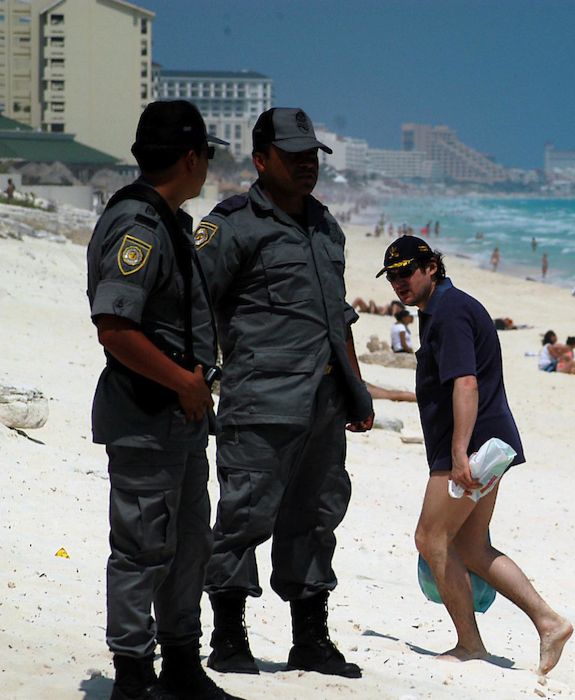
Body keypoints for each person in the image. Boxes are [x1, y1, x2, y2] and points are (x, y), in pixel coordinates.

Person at [195, 107, 374, 679]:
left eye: (310, 157)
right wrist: (194, 381)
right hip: (260, 403)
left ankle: (311, 641)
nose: (305, 167)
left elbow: (336, 316)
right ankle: (228, 638)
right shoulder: (232, 226)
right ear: (261, 159)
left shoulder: (327, 227)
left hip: (324, 405)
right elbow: (196, 306)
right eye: (292, 156)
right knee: (244, 516)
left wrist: (357, 388)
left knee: (318, 518)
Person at [86, 101, 241, 699]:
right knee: (142, 547)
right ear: (191, 157)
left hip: (181, 418)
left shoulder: (170, 220)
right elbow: (114, 327)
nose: (207, 168)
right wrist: (182, 381)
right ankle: (132, 676)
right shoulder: (140, 228)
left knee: (187, 545)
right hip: (146, 413)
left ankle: (181, 664)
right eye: (206, 157)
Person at [378, 235, 573, 672]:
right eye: (392, 276)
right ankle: (549, 622)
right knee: (469, 543)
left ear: (431, 267)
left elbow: (466, 383)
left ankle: (470, 644)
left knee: (430, 539)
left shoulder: (447, 311)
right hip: (485, 442)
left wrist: (459, 452)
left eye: (406, 272)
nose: (399, 283)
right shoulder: (438, 310)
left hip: (471, 446)